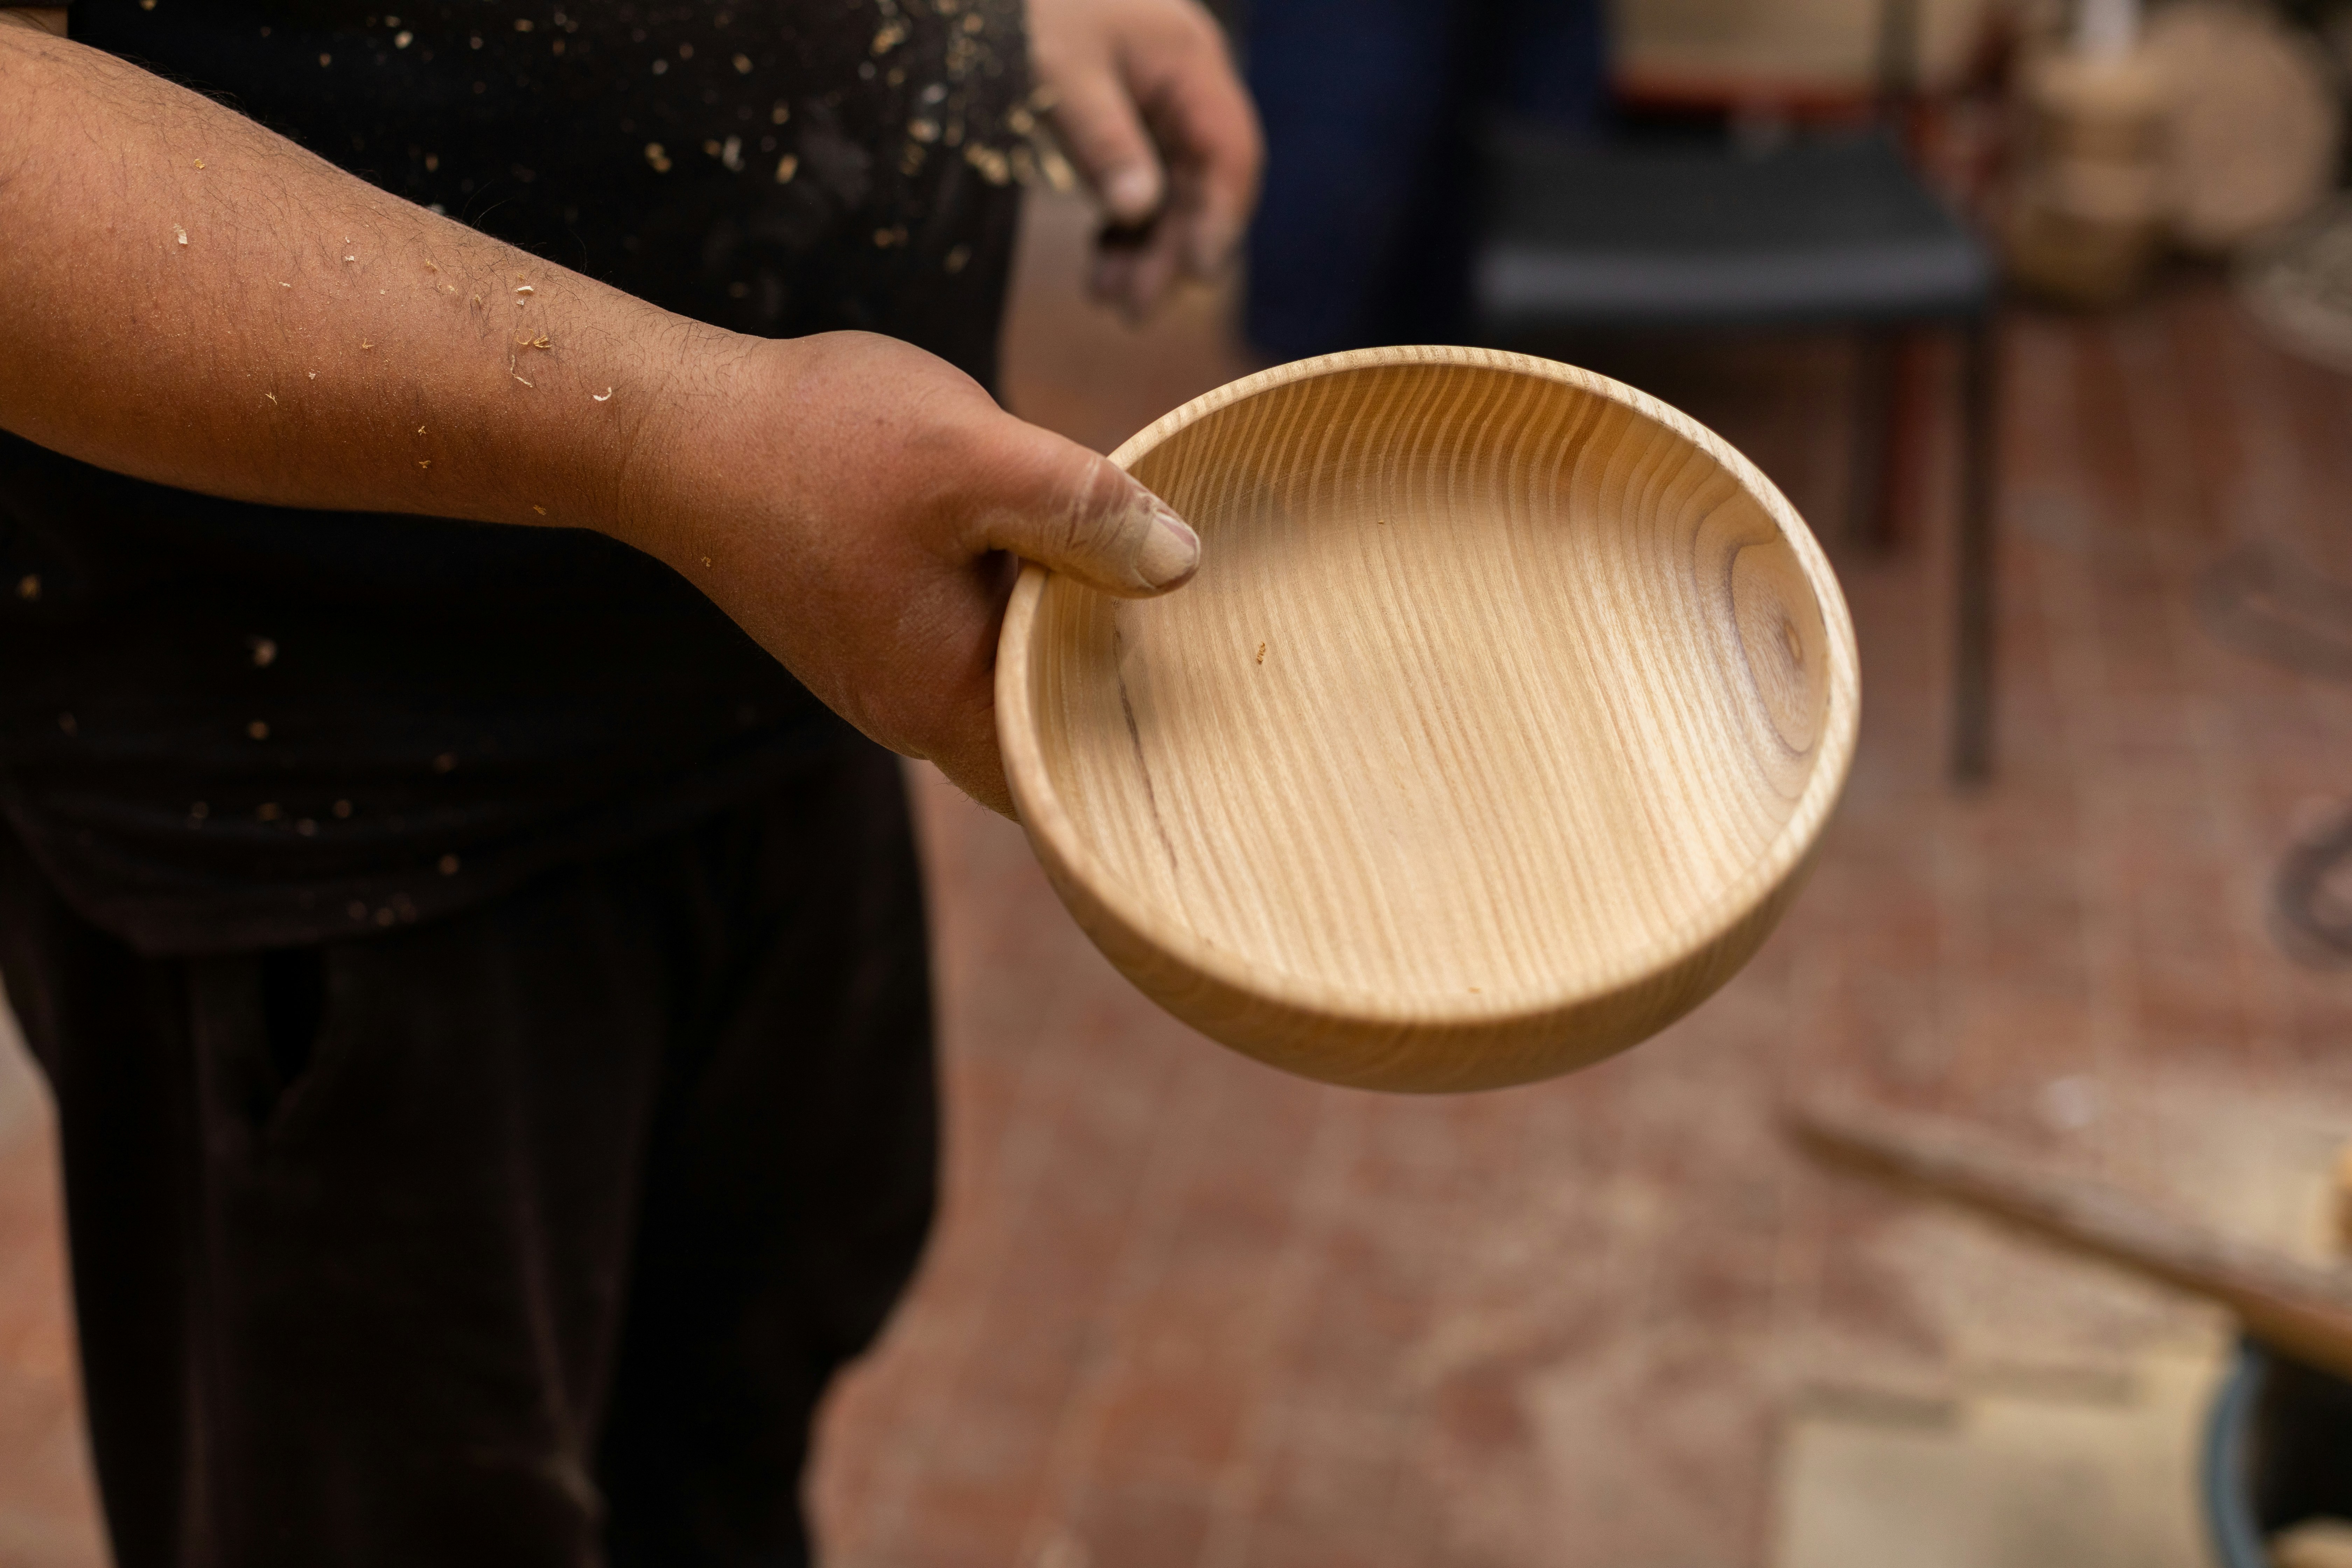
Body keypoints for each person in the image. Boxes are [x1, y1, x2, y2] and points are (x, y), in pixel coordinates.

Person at [0, 2, 1258, 1563]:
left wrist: (985, 32)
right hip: (347, 799)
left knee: (728, 1424)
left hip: (799, 642)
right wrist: (676, 432)